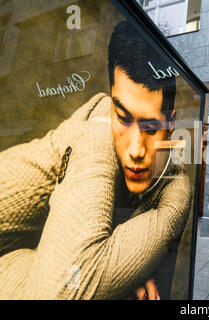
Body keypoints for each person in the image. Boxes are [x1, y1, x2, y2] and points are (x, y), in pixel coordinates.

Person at [0, 21, 191, 299]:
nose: (136, 150)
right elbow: (62, 291)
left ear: (171, 122)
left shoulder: (172, 182)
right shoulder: (95, 127)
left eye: (150, 126)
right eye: (123, 118)